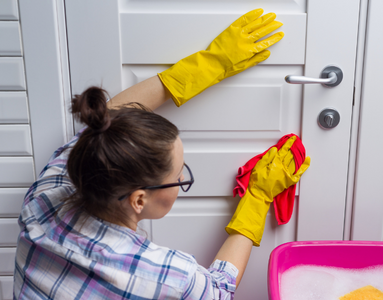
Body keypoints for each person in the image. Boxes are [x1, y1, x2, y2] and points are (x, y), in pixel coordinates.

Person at [13, 9, 308, 299]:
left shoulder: (44, 201)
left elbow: (108, 121)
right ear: (139, 199)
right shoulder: (166, 275)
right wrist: (257, 199)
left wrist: (208, 65)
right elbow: (218, 290)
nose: (181, 177)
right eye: (178, 177)